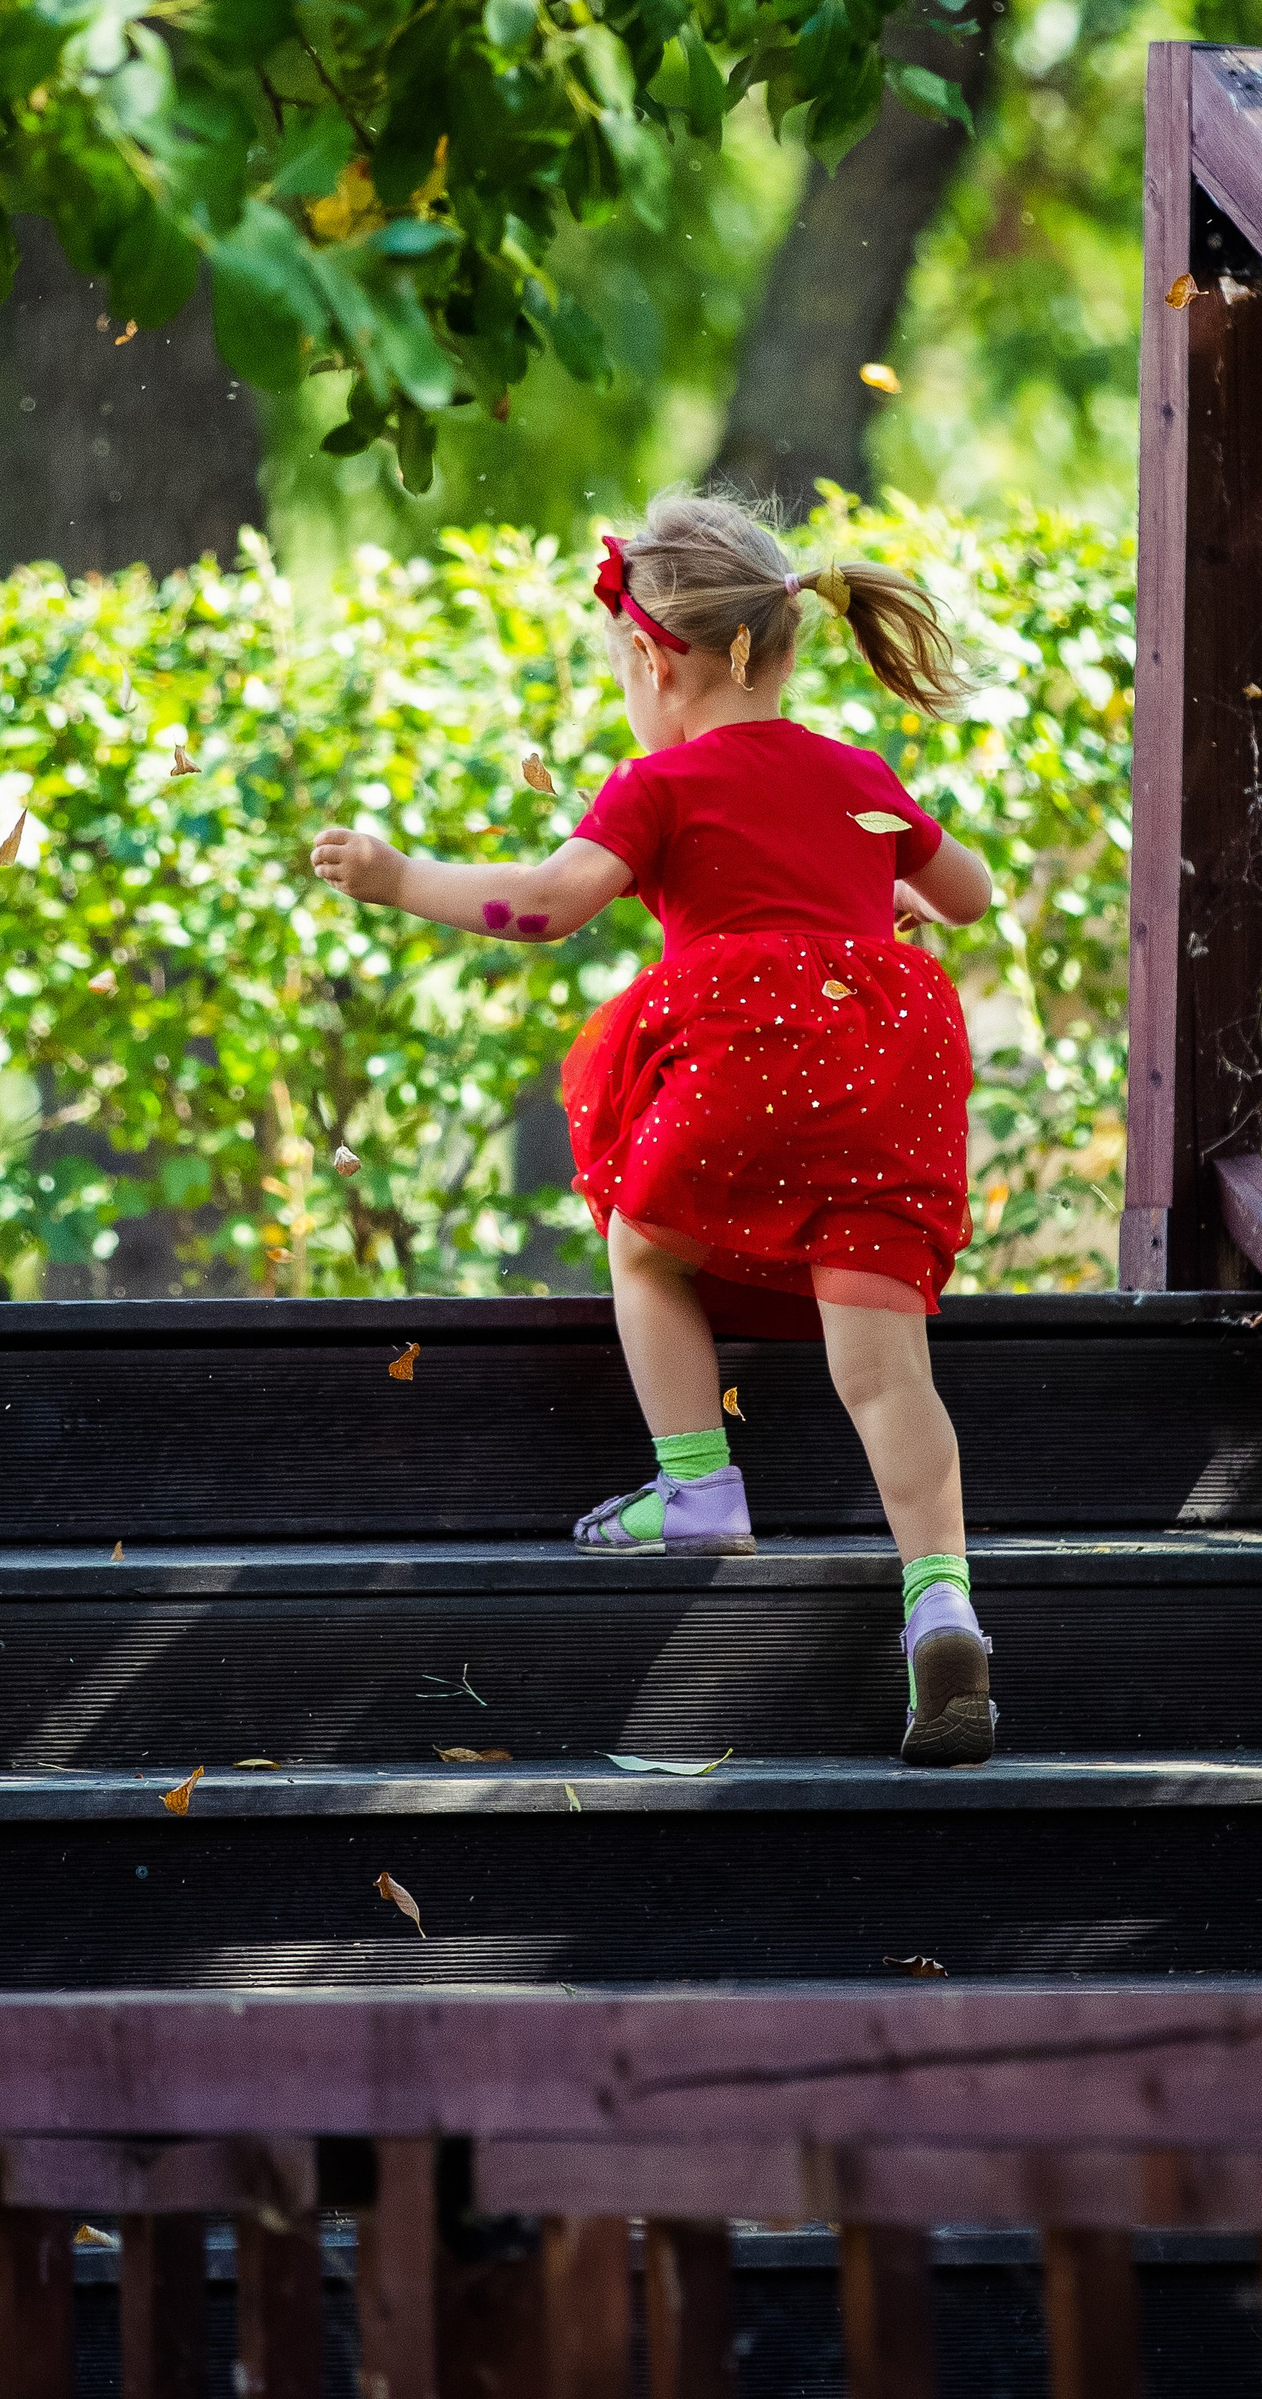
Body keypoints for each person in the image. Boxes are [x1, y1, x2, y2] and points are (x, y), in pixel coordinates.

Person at [310, 497, 996, 1766]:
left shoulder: (663, 782)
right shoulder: (861, 778)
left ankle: (697, 1485)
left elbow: (550, 904)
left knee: (643, 1242)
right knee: (886, 1372)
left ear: (653, 657)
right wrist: (873, 896)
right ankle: (941, 1601)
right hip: (884, 1071)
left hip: (750, 1066)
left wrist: (402, 879)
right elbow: (971, 894)